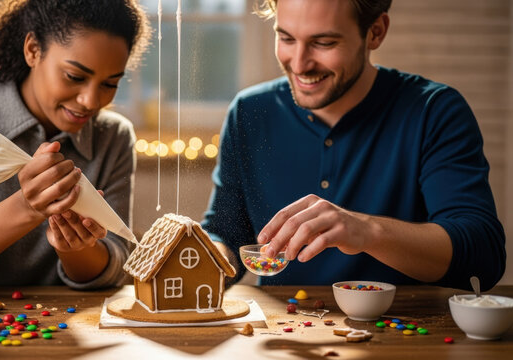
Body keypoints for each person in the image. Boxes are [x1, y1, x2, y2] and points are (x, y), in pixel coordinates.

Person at [202, 0, 506, 291]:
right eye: (286, 38)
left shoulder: (434, 111)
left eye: (324, 43)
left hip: (405, 336)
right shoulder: (249, 112)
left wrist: (367, 231)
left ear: (376, 32)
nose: (299, 63)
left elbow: (482, 255)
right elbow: (228, 233)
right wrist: (200, 258)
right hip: (283, 335)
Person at [0, 0, 150, 287]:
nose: (91, 101)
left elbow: (115, 267)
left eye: (109, 84)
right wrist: (28, 207)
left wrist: (75, 248)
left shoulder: (114, 136)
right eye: (75, 76)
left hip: (57, 325)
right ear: (33, 50)